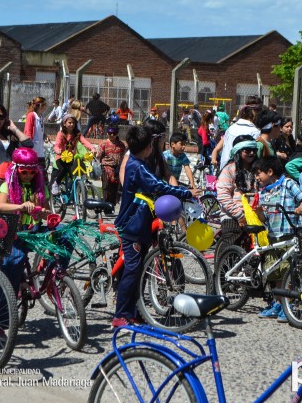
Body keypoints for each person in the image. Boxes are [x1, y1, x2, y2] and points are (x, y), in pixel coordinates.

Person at [112, 126, 199, 327]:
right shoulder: (137, 166)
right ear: (148, 146)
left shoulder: (139, 162)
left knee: (139, 268)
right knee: (133, 268)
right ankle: (120, 315)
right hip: (132, 225)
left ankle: (133, 312)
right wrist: (185, 193)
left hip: (141, 223)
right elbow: (157, 185)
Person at [253, 155, 302, 321]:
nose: (257, 178)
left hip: (289, 234)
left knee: (288, 271)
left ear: (270, 171)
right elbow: (264, 219)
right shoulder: (263, 192)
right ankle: (278, 304)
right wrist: (258, 213)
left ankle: (288, 305)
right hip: (273, 236)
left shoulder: (288, 183)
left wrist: (300, 208)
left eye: (259, 174)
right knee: (275, 272)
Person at [0, 147, 50, 296]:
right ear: (15, 170)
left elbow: (47, 211)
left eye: (33, 172)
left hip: (33, 230)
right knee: (13, 261)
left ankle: (56, 273)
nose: (29, 175)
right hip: (14, 231)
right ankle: (3, 311)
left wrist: (42, 213)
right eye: (24, 171)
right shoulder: (7, 185)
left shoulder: (40, 188)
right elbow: (0, 206)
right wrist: (20, 206)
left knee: (65, 235)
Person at [216, 134, 259, 226]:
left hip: (256, 216)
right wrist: (239, 215)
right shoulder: (229, 169)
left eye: (254, 150)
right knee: (232, 239)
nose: (251, 153)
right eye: (247, 150)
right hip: (232, 217)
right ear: (238, 151)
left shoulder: (259, 170)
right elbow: (223, 195)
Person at [211, 96, 263, 170]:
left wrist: (213, 160)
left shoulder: (230, 128)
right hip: (240, 173)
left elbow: (217, 149)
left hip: (224, 171)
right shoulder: (255, 132)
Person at [51, 115, 95, 189]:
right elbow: (57, 144)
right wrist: (57, 150)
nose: (72, 125)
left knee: (74, 173)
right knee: (63, 169)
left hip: (71, 158)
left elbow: (84, 142)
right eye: (69, 122)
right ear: (64, 123)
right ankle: (56, 184)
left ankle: (72, 190)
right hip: (61, 157)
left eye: (73, 123)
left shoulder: (77, 134)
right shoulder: (61, 133)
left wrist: (92, 148)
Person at [96, 125, 126, 205]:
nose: (112, 135)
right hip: (106, 167)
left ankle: (112, 204)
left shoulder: (121, 144)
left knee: (115, 187)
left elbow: (123, 156)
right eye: (110, 133)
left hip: (117, 168)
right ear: (107, 133)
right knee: (106, 186)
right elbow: (99, 156)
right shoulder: (103, 144)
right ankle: (106, 204)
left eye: (114, 133)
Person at [23, 96, 47, 162]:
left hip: (40, 150)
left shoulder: (41, 116)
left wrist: (44, 136)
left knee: (41, 170)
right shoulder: (31, 115)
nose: (46, 106)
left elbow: (39, 130)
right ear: (40, 105)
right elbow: (28, 131)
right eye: (45, 104)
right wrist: (29, 147)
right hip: (33, 150)